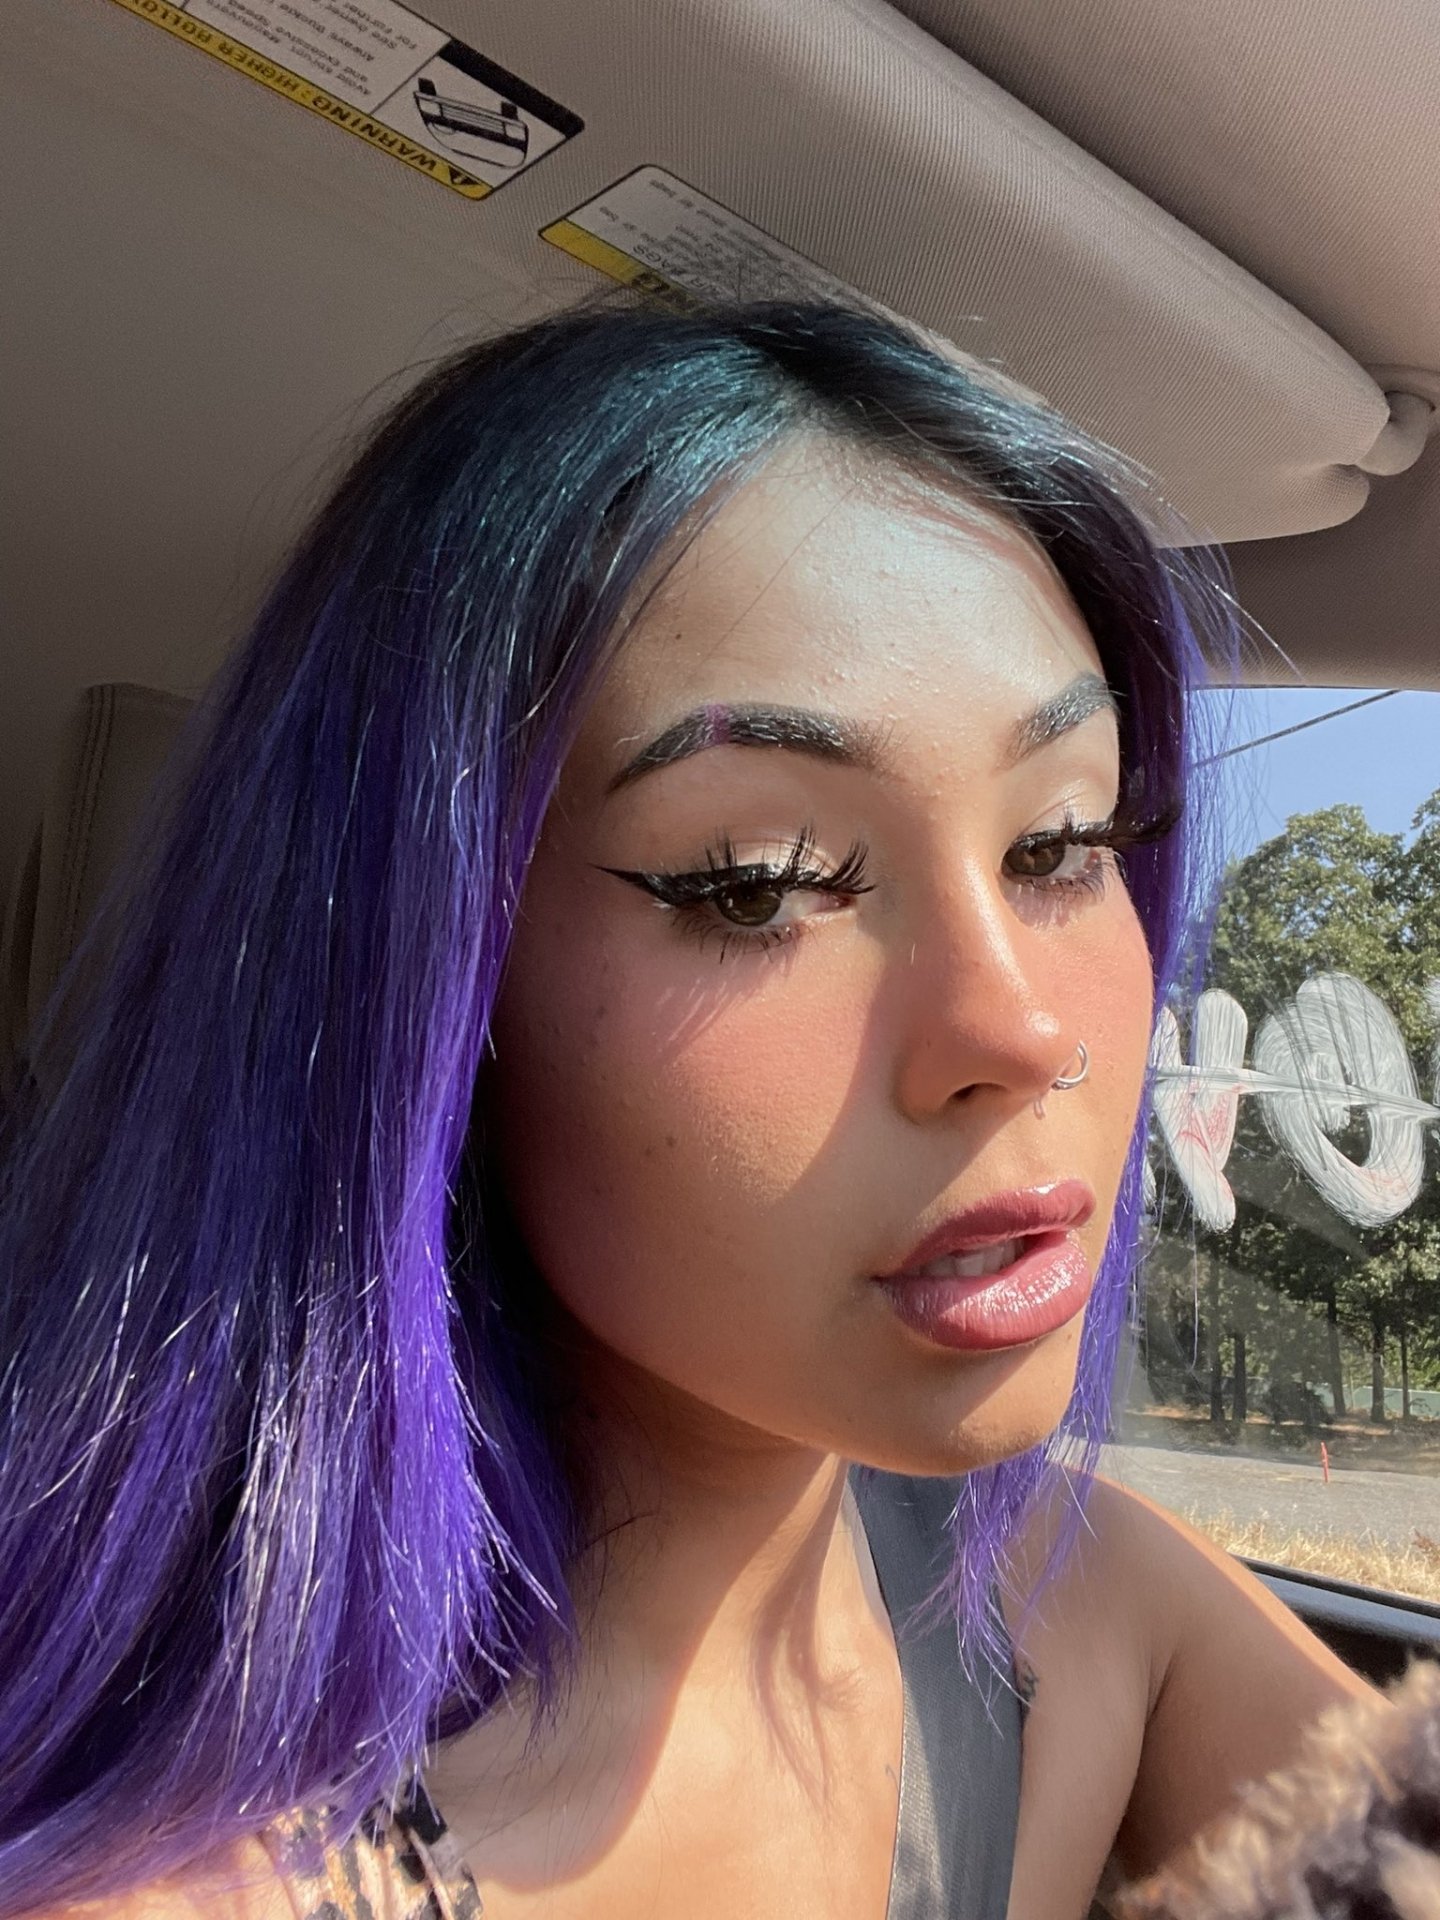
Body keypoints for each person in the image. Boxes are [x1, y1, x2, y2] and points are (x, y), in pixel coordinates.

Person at [0, 300, 1371, 1920]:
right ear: (436, 987)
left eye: (1060, 845)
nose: (1019, 1030)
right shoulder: (187, 1885)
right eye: (757, 883)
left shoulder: (1058, 1596)